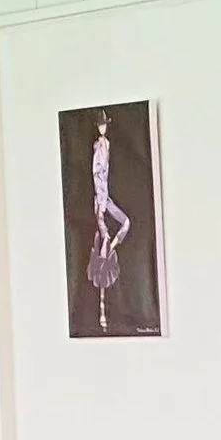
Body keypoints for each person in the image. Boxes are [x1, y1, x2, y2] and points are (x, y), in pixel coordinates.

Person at [85, 112, 130, 333]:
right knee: (104, 238)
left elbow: (104, 172)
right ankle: (102, 311)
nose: (103, 128)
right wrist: (100, 207)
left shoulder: (106, 144)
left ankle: (111, 246)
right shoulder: (98, 147)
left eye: (104, 125)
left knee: (125, 223)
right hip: (100, 199)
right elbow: (98, 174)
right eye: (100, 125)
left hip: (105, 198)